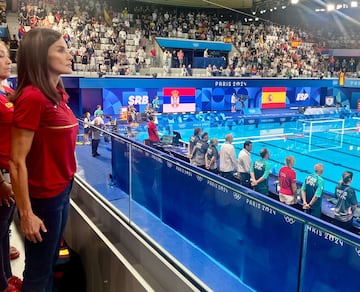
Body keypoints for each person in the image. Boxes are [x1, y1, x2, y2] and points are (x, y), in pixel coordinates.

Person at [9, 28, 78, 292]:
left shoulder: (58, 95)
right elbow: (16, 161)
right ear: (40, 56)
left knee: (49, 263)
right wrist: (26, 214)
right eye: (60, 49)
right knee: (38, 271)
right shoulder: (33, 98)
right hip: (44, 199)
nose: (69, 54)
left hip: (62, 189)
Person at [0, 41, 23, 292]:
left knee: (4, 227)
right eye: (1, 56)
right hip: (2, 178)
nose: (8, 61)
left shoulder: (6, 91)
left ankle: (7, 277)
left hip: (11, 174)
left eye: (8, 56)